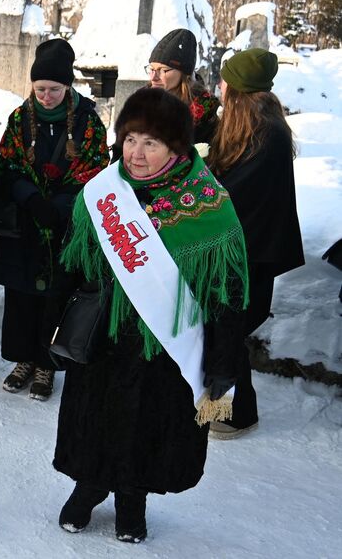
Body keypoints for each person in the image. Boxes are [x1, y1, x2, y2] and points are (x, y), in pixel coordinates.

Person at [53, 87, 249, 543]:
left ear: (176, 149)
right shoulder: (103, 193)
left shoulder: (210, 207)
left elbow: (228, 295)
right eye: (129, 139)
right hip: (105, 333)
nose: (135, 153)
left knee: (145, 426)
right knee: (95, 418)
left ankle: (131, 499)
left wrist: (222, 365)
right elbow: (70, 262)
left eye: (151, 143)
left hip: (164, 344)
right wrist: (54, 325)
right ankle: (89, 486)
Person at [0, 38, 110, 400]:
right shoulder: (18, 120)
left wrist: (59, 204)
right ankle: (24, 359)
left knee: (55, 296)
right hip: (24, 225)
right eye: (39, 88)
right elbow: (7, 165)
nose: (45, 97)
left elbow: (94, 168)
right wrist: (29, 196)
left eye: (54, 89)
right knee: (22, 297)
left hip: (64, 225)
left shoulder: (88, 121)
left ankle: (46, 364)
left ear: (67, 85)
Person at [207, 48, 304, 439]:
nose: (219, 85)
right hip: (240, 251)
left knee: (226, 337)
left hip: (251, 257)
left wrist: (200, 189)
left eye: (224, 79)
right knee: (222, 334)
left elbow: (236, 194)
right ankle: (222, 409)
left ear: (239, 88)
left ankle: (233, 415)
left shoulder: (269, 134)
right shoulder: (253, 124)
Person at [147, 28, 219, 143]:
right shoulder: (142, 100)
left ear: (184, 73)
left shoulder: (206, 109)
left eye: (164, 70)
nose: (153, 77)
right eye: (151, 69)